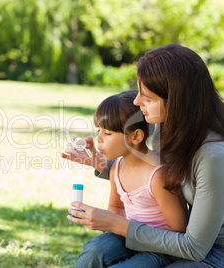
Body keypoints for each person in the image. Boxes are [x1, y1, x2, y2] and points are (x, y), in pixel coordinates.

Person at [62, 44, 224, 267]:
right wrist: (96, 161)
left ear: (176, 100)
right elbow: (145, 170)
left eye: (147, 97)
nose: (137, 102)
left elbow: (194, 247)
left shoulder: (213, 156)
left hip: (213, 250)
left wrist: (117, 224)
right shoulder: (166, 130)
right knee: (97, 251)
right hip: (177, 240)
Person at [80, 90, 187, 267]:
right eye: (99, 130)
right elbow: (115, 206)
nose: (98, 138)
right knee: (95, 249)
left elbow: (178, 230)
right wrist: (106, 222)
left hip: (160, 249)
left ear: (136, 136)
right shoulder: (116, 168)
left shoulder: (158, 176)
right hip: (129, 237)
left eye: (108, 133)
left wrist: (123, 227)